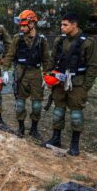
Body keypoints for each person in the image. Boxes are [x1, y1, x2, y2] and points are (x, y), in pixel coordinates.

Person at [43, 13, 97, 156]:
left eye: (65, 25)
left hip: (77, 84)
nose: (62, 27)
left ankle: (74, 144)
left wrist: (86, 87)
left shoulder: (88, 42)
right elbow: (52, 59)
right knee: (58, 111)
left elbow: (92, 66)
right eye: (61, 25)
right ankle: (56, 138)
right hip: (59, 82)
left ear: (74, 25)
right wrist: (49, 75)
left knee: (76, 115)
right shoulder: (59, 41)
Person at [1, 10, 50, 139]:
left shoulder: (41, 40)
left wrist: (46, 75)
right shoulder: (17, 38)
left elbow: (46, 59)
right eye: (20, 26)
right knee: (20, 103)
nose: (22, 28)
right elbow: (10, 55)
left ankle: (34, 129)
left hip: (35, 74)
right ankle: (21, 127)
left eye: (24, 25)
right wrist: (5, 70)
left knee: (37, 105)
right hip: (20, 73)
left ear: (32, 24)